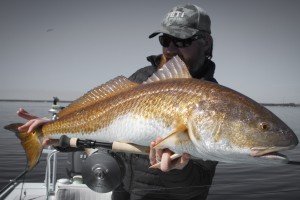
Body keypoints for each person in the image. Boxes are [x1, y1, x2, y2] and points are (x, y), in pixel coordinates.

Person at [17, 4, 218, 200]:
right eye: (165, 40)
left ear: (206, 42)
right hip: (122, 193)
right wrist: (56, 130)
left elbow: (197, 186)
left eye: (181, 40)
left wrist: (177, 169)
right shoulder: (142, 77)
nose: (170, 49)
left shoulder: (215, 103)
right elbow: (104, 128)